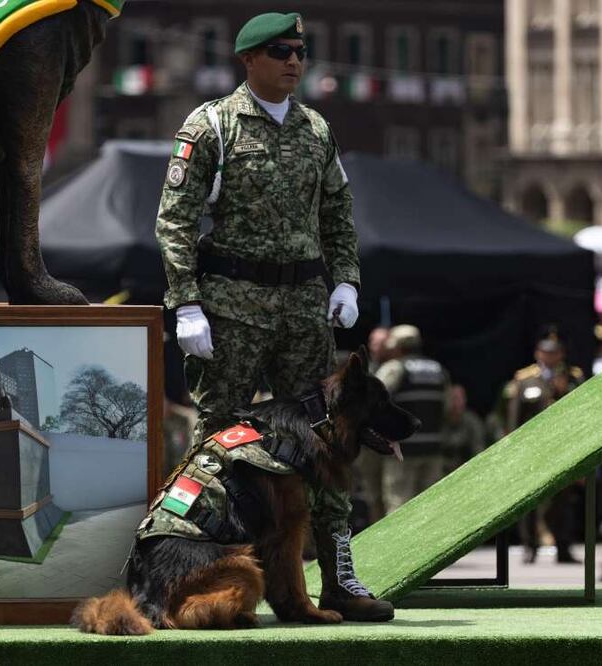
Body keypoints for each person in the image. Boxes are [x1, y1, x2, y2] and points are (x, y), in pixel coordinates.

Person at [155, 12, 391, 621]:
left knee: (325, 446)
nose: (294, 61)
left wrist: (346, 279)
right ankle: (202, 570)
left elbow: (338, 211)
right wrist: (184, 302)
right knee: (219, 445)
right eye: (280, 51)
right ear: (249, 59)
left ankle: (337, 579)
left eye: (300, 51)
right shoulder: (211, 125)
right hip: (231, 308)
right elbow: (174, 220)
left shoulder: (316, 129)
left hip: (303, 311)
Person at [505, 330, 585, 564]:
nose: (551, 357)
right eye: (546, 352)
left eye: (555, 352)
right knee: (531, 500)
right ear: (538, 353)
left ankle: (563, 546)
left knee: (562, 501)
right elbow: (514, 419)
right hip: (533, 449)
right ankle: (530, 546)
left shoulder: (572, 378)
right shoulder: (525, 379)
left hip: (562, 447)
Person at [376, 325, 450, 514]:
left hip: (402, 451)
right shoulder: (439, 370)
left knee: (399, 505)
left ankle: (398, 545)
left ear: (397, 347)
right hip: (433, 449)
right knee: (432, 506)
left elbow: (373, 401)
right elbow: (448, 409)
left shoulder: (395, 368)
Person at [353, 326, 391, 526]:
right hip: (370, 443)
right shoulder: (367, 369)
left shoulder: (395, 368)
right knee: (373, 494)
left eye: (380, 342)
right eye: (373, 342)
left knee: (393, 493)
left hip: (392, 441)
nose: (375, 346)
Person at [442, 384, 487, 474]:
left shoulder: (472, 421)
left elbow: (479, 450)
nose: (456, 403)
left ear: (464, 400)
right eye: (452, 399)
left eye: (459, 398)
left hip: (467, 469)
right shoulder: (440, 423)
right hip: (444, 471)